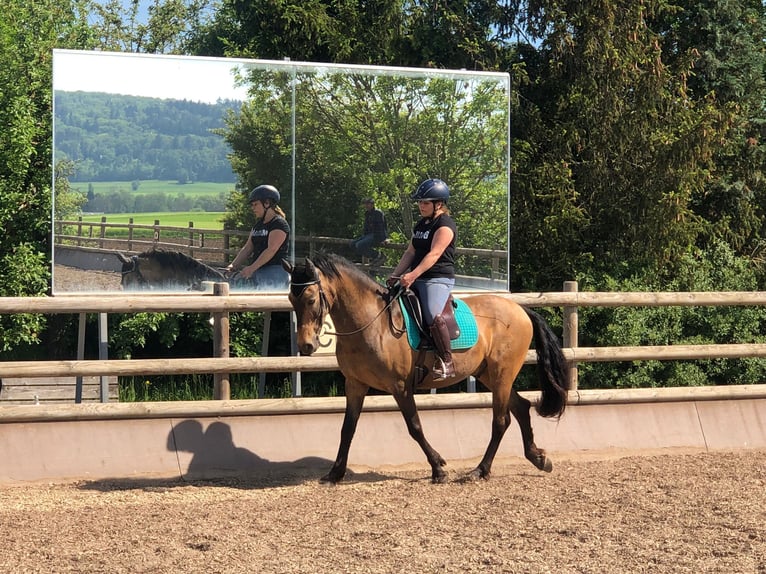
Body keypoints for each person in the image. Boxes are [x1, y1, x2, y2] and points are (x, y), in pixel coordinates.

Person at [387, 178, 457, 380]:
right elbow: (410, 252)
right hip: (417, 277)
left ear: (439, 204)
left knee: (433, 314)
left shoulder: (445, 225)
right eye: (419, 202)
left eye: (425, 202)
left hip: (438, 279)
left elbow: (434, 255)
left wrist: (412, 275)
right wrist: (396, 274)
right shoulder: (422, 224)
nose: (421, 206)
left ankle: (447, 361)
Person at [226, 184, 290, 290]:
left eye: (255, 204)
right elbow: (247, 248)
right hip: (259, 270)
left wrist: (251, 268)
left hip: (276, 271)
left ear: (267, 203)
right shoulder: (257, 225)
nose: (253, 208)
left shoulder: (279, 224)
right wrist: (233, 266)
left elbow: (271, 249)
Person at [351, 198, 388, 263]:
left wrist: (383, 238)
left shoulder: (378, 213)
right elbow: (366, 227)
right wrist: (363, 237)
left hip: (377, 235)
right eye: (365, 204)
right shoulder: (367, 214)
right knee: (352, 244)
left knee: (359, 245)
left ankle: (378, 255)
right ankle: (373, 257)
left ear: (372, 204)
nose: (366, 206)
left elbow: (381, 226)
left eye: (368, 204)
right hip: (368, 235)